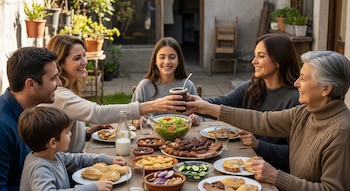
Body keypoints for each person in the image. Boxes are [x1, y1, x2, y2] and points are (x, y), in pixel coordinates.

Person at [186, 50, 350, 191]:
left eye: (304, 78)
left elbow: (331, 189)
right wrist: (205, 107)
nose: (296, 83)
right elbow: (262, 120)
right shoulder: (305, 113)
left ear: (326, 89)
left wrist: (277, 177)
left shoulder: (342, 132)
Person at [42, 34, 186, 153]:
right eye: (77, 58)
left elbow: (67, 129)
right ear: (60, 64)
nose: (85, 61)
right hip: (67, 168)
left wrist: (88, 132)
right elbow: (97, 113)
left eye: (84, 56)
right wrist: (155, 105)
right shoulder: (60, 95)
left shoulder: (68, 91)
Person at [204, 33, 301, 172]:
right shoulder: (252, 87)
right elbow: (221, 103)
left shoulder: (295, 99)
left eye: (261, 56)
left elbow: (295, 155)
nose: (253, 61)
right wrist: (189, 102)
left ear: (278, 61)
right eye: (255, 55)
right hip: (243, 164)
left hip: (272, 175)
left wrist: (259, 145)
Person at [18, 106, 127, 191]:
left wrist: (107, 159)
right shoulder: (40, 168)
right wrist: (92, 187)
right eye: (66, 132)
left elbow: (78, 159)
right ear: (53, 142)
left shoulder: (54, 155)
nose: (70, 133)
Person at [0, 47, 62, 191]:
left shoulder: (30, 112)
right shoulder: (3, 127)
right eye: (53, 78)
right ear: (31, 85)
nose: (59, 83)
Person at [131, 37, 201, 127]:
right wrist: (136, 120)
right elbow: (131, 116)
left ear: (179, 60)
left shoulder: (188, 85)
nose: (167, 62)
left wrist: (195, 118)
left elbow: (200, 117)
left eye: (172, 57)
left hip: (181, 137)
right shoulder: (144, 86)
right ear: (155, 61)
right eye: (162, 57)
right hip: (150, 138)